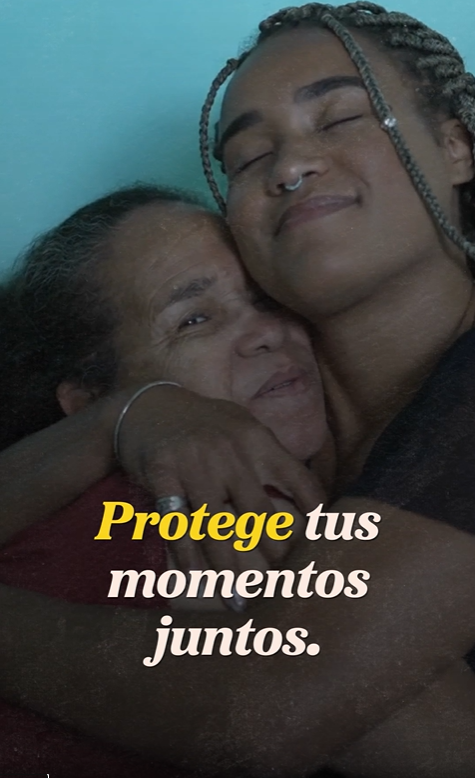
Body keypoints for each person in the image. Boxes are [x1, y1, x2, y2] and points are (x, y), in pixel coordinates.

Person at [2, 3, 475, 774]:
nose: (289, 166)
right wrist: (123, 416)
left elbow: (267, 716)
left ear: (455, 145)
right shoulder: (273, 406)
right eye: (249, 156)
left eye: (340, 116)